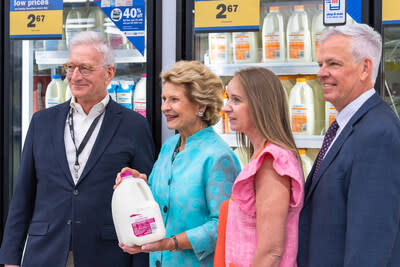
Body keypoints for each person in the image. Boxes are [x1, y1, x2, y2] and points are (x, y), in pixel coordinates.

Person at [0, 31, 154, 267]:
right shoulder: (42, 122)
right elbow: (23, 195)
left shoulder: (133, 126)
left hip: (106, 255)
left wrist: (142, 261)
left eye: (85, 68)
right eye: (70, 67)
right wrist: (10, 258)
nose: (75, 76)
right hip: (45, 254)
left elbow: (144, 202)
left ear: (109, 73)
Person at [115, 60, 241, 267]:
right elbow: (164, 203)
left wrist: (171, 243)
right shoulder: (170, 146)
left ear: (201, 105)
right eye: (164, 98)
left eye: (174, 99)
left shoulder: (219, 157)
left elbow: (224, 225)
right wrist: (139, 184)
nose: (165, 107)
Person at [298, 24, 400, 267]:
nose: (321, 73)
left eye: (333, 64)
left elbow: (370, 241)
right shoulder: (345, 124)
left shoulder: (378, 133)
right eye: (320, 64)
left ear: (365, 68)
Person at [214, 67, 305, 267]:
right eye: (228, 98)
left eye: (236, 100)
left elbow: (271, 251)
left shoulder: (272, 161)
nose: (226, 107)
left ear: (260, 105)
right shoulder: (262, 156)